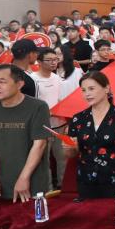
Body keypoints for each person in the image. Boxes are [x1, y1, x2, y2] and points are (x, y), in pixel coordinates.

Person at [0, 65, 52, 202]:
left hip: (30, 182)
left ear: (19, 84)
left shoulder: (38, 107)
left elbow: (39, 145)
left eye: (2, 81)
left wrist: (24, 178)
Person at [64, 72, 115, 200]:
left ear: (106, 88)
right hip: (86, 181)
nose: (87, 94)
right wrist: (69, 148)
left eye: (91, 88)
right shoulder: (78, 119)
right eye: (83, 90)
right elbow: (70, 154)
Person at [31, 48, 68, 188]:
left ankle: (63, 186)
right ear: (39, 62)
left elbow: (63, 99)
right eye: (49, 60)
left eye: (55, 59)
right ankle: (47, 188)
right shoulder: (33, 79)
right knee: (43, 159)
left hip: (60, 123)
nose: (53, 62)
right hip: (42, 126)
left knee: (62, 157)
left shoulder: (58, 78)